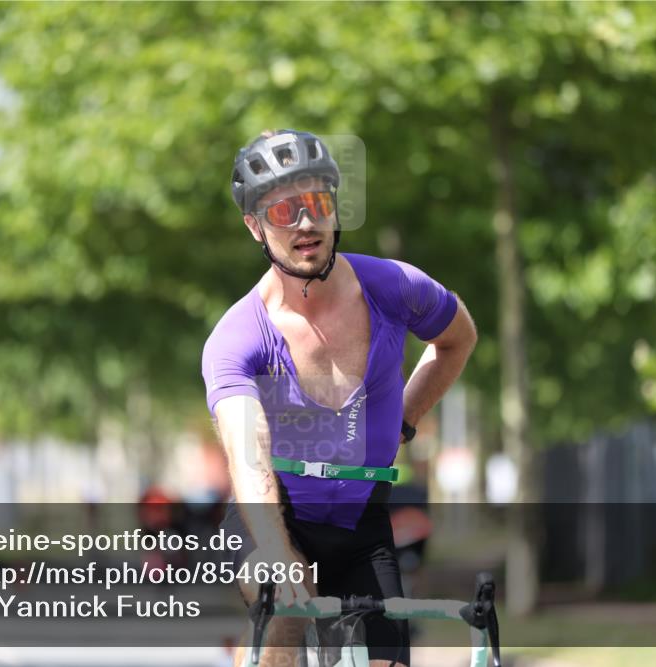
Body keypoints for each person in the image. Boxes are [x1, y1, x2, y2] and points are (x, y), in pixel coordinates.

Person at [202, 129, 477, 667]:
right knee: (283, 603)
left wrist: (404, 419)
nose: (305, 222)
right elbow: (247, 455)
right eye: (284, 210)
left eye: (317, 203)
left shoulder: (395, 288)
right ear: (255, 225)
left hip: (361, 517)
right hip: (274, 512)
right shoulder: (237, 337)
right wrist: (280, 555)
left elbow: (457, 340)